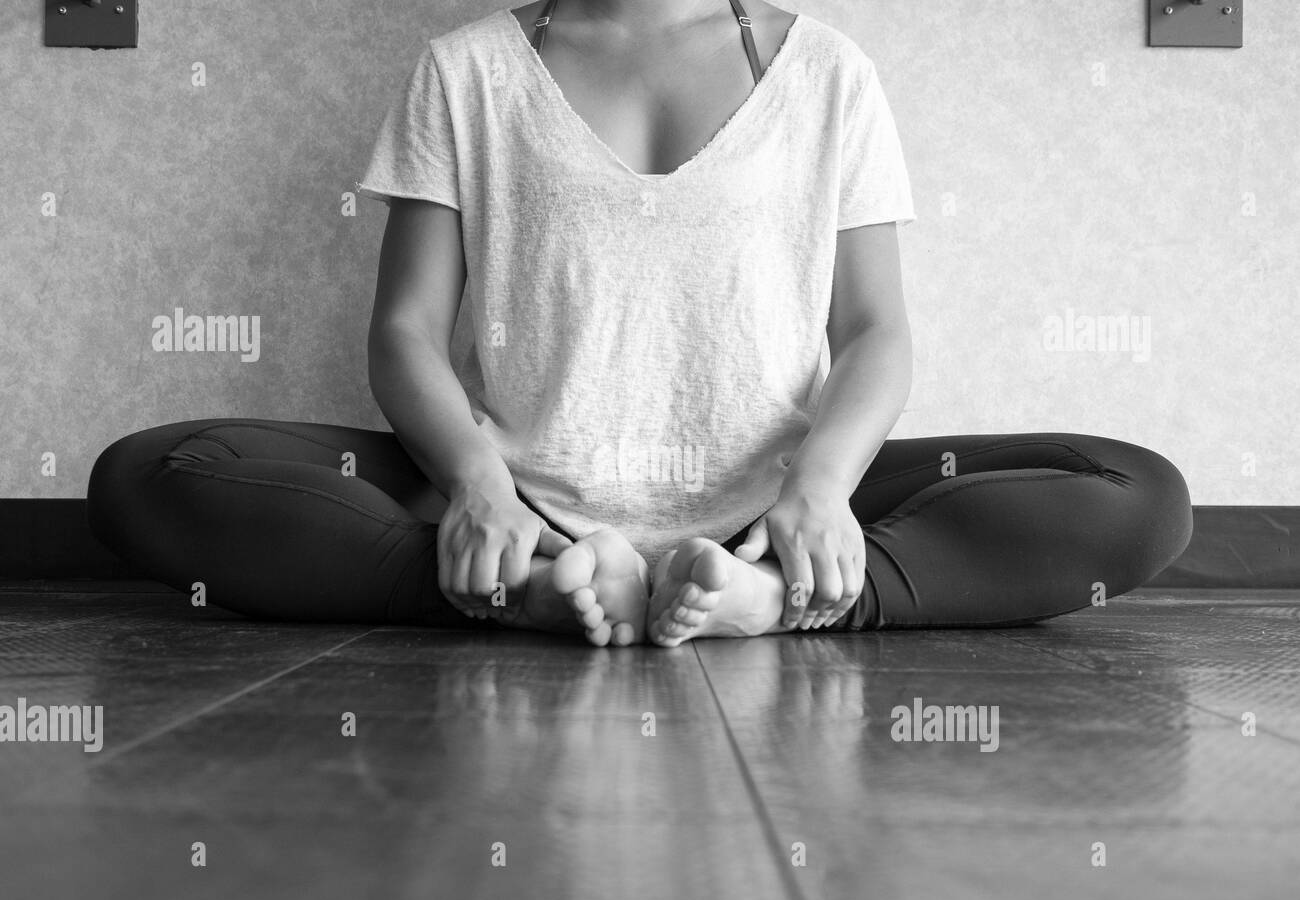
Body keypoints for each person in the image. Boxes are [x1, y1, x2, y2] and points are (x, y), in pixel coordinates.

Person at [87, 0, 1193, 647]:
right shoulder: (465, 70)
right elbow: (407, 333)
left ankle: (772, 595)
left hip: (770, 501)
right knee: (152, 473)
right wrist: (477, 485)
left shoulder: (827, 72)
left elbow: (875, 333)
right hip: (526, 506)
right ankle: (523, 590)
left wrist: (817, 488)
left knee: (1137, 494)